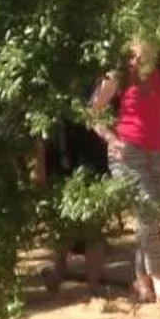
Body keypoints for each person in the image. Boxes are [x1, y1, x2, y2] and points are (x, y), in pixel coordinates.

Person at [88, 38, 160, 306]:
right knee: (148, 207)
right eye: (134, 56)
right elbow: (92, 112)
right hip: (128, 152)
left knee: (150, 217)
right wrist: (112, 139)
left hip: (159, 149)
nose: (137, 61)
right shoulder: (119, 76)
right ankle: (159, 279)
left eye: (143, 56)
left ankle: (142, 282)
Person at [35, 113, 109, 294]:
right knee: (64, 223)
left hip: (92, 157)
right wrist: (40, 166)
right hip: (62, 160)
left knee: (94, 223)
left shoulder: (93, 89)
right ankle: (60, 271)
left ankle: (93, 283)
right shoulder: (51, 96)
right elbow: (40, 132)